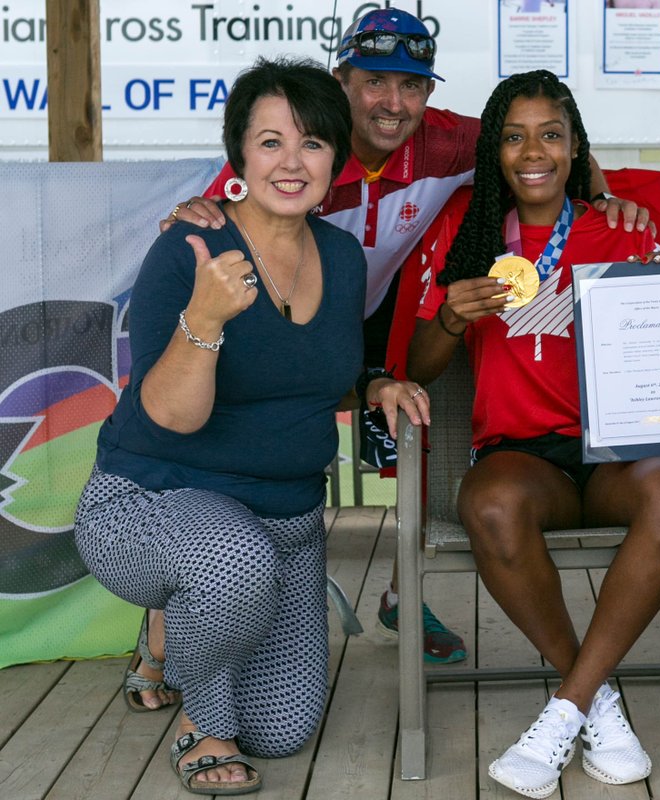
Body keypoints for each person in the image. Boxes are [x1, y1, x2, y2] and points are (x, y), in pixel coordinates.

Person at [166, 9, 651, 664]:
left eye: (413, 86)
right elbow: (223, 204)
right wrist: (199, 208)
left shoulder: (450, 139)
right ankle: (179, 622)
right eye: (375, 82)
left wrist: (603, 194)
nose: (394, 104)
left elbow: (547, 147)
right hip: (289, 313)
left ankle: (401, 589)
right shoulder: (305, 149)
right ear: (342, 81)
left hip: (379, 310)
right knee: (246, 441)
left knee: (416, 423)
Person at [74, 56, 428, 795]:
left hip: (286, 521)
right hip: (152, 505)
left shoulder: (342, 256)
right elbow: (170, 417)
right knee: (229, 564)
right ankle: (202, 725)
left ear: (336, 157)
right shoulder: (189, 249)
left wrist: (376, 382)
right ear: (239, 155)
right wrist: (203, 321)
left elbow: (327, 364)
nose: (291, 163)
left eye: (312, 143)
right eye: (270, 142)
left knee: (284, 728)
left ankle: (174, 635)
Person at [404, 70, 660, 799]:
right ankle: (595, 699)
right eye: (513, 136)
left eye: (551, 135)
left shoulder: (622, 228)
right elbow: (416, 365)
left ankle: (566, 707)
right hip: (524, 458)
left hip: (615, 454)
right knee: (492, 503)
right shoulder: (465, 231)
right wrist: (450, 316)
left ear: (575, 150)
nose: (533, 151)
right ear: (494, 152)